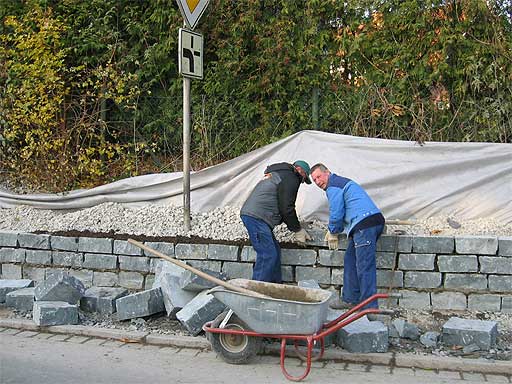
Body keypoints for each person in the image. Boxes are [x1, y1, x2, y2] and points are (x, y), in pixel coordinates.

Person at [310, 163, 385, 309]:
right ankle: (350, 299)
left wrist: (333, 230)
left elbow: (337, 212)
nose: (318, 182)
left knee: (365, 266)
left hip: (365, 224)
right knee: (350, 260)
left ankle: (370, 307)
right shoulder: (340, 182)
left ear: (328, 172)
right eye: (314, 180)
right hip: (365, 224)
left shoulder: (334, 185)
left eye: (319, 177)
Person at [240, 161, 313, 283]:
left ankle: (274, 287)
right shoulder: (291, 177)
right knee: (267, 254)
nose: (302, 181)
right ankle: (257, 290)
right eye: (304, 177)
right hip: (257, 217)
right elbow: (287, 207)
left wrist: (295, 226)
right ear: (300, 170)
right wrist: (297, 229)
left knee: (274, 251)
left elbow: (282, 205)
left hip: (256, 215)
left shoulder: (279, 174)